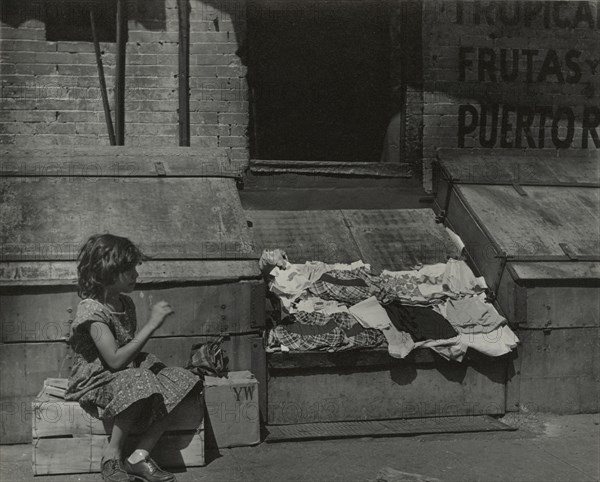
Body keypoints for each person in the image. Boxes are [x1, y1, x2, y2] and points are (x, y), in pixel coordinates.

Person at [66, 234, 201, 482]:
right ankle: (111, 456)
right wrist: (152, 325)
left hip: (124, 373)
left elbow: (127, 352)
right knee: (142, 379)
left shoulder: (126, 303)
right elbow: (114, 360)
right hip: (96, 380)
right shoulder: (91, 310)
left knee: (182, 379)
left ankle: (139, 456)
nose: (135, 275)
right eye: (128, 270)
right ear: (107, 272)